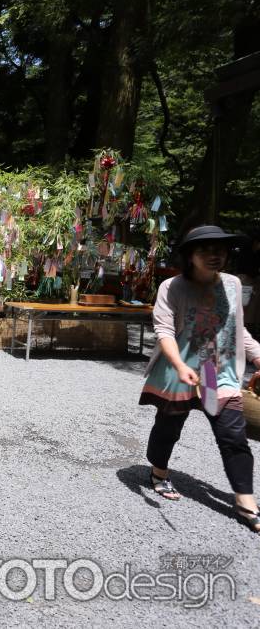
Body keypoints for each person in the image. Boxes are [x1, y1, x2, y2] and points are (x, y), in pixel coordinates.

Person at [140, 225, 260, 531]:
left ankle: (246, 500)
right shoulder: (172, 287)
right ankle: (158, 472)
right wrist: (179, 364)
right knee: (168, 428)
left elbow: (238, 329)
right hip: (180, 372)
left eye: (220, 250)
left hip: (222, 374)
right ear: (190, 255)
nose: (215, 255)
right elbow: (164, 330)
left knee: (233, 437)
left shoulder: (232, 284)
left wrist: (258, 355)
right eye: (205, 250)